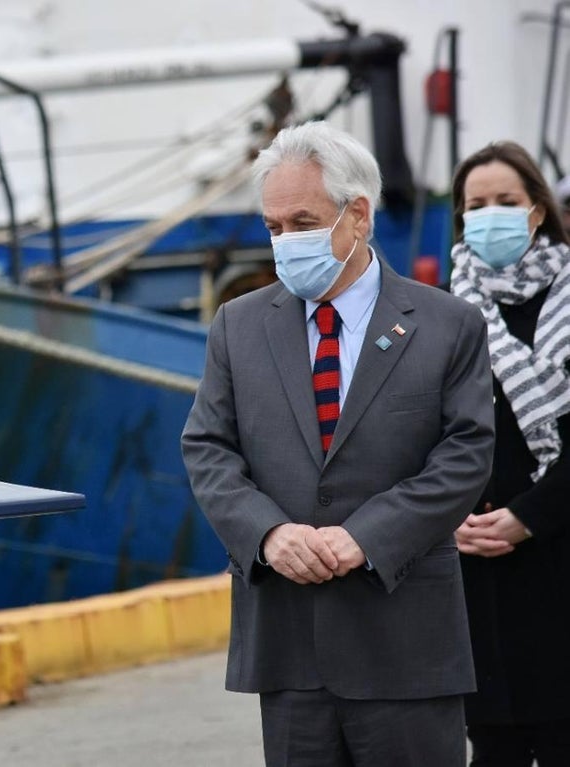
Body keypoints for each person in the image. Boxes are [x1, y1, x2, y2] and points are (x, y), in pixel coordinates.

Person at [181, 121, 495, 767]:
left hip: (407, 645)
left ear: (358, 216)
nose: (286, 241)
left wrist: (367, 535)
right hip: (291, 652)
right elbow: (208, 449)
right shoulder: (238, 327)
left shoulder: (447, 324)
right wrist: (268, 534)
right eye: (273, 227)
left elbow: (465, 453)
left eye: (302, 220)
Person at [448, 141, 570, 766]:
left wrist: (531, 516)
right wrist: (452, 520)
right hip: (477, 568)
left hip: (558, 552)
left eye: (506, 201)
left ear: (538, 211)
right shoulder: (439, 316)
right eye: (476, 205)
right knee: (492, 745)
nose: (489, 214)